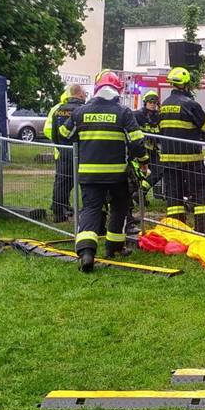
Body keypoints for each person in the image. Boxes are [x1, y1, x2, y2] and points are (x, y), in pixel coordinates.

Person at [57, 72, 149, 272]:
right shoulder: (124, 113)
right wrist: (143, 162)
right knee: (119, 207)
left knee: (91, 209)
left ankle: (87, 252)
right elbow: (137, 142)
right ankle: (114, 247)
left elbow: (63, 134)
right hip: (116, 174)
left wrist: (82, 141)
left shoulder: (81, 112)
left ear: (97, 89)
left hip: (89, 174)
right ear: (117, 91)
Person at [158, 66, 205, 233]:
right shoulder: (191, 105)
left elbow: (162, 130)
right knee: (201, 190)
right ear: (186, 85)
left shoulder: (164, 105)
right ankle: (203, 230)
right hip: (191, 159)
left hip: (169, 160)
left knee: (174, 196)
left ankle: (176, 230)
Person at [44, 84, 86, 222]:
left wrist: (60, 147)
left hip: (63, 153)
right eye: (85, 94)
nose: (85, 97)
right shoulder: (82, 110)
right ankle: (88, 213)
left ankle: (58, 213)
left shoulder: (58, 110)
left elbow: (54, 133)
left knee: (62, 183)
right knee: (86, 184)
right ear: (80, 95)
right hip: (81, 153)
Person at [134, 89, 164, 201]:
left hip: (152, 151)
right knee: (138, 175)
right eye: (150, 102)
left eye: (155, 103)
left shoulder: (159, 117)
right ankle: (138, 195)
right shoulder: (137, 115)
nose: (152, 105)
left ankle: (141, 193)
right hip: (139, 151)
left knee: (159, 171)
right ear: (145, 102)